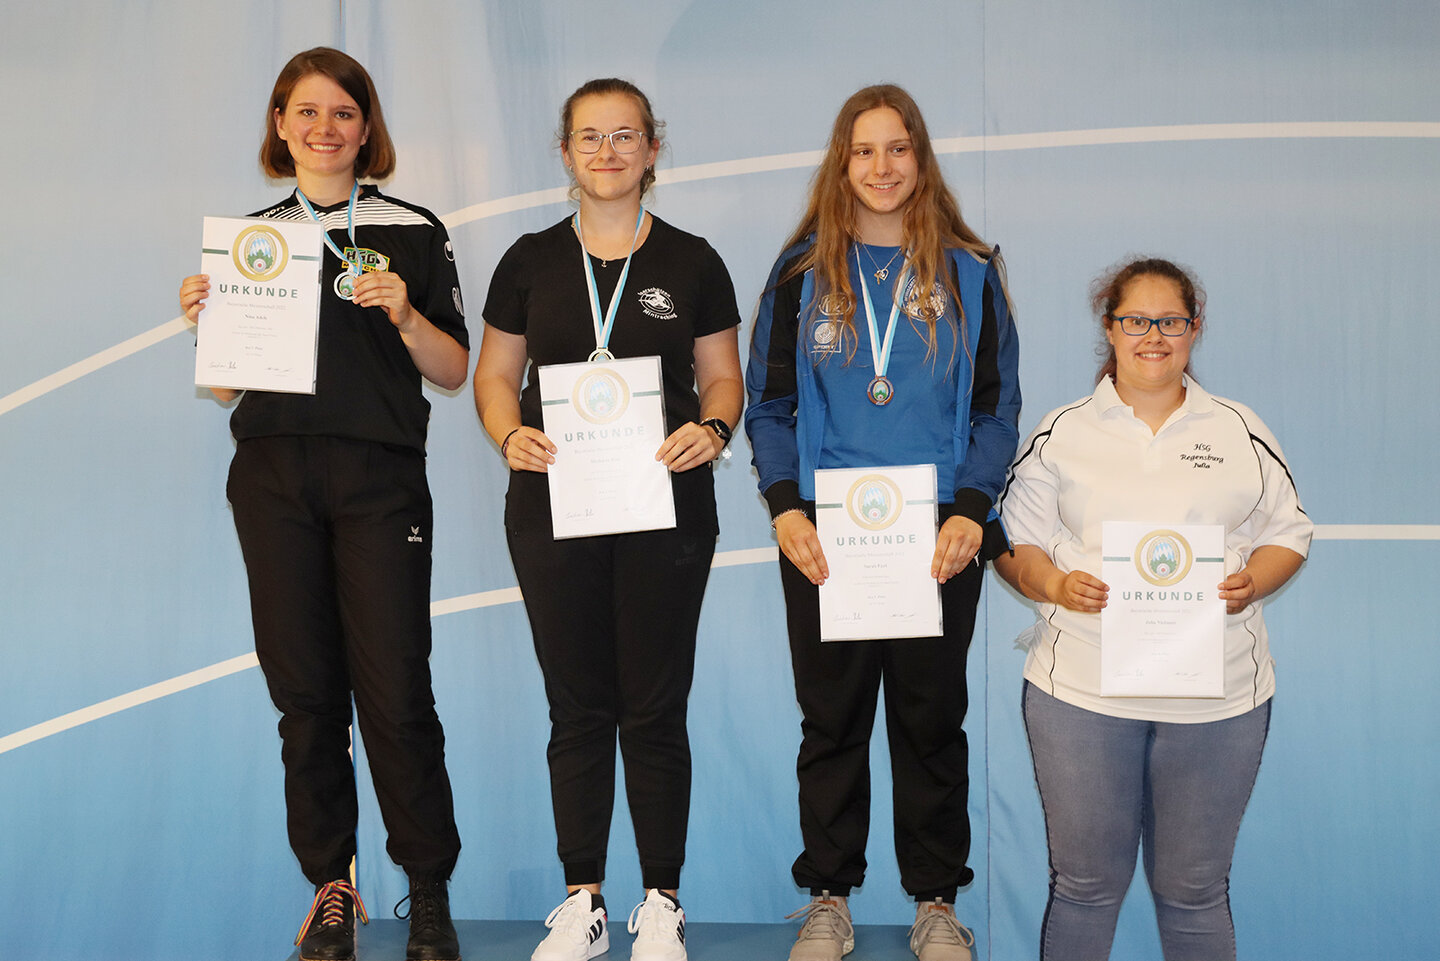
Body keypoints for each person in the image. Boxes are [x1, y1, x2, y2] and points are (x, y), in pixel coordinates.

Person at [177, 47, 467, 961]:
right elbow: (227, 387)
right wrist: (207, 320)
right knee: (304, 695)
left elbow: (456, 369)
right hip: (274, 478)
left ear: (367, 126)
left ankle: (427, 887)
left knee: (396, 688)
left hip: (381, 478)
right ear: (280, 124)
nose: (325, 128)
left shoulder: (412, 228)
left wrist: (407, 314)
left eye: (343, 112)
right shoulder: (251, 238)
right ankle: (331, 885)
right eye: (306, 112)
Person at [745, 84, 1021, 961]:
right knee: (831, 720)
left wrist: (972, 508)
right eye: (864, 150)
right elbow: (769, 406)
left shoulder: (971, 271)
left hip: (938, 531)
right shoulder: (799, 274)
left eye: (898, 148)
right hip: (825, 529)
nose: (882, 167)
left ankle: (936, 903)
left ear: (921, 158)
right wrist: (785, 507)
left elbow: (997, 408)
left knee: (930, 719)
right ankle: (828, 898)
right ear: (841, 163)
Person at [472, 78, 743, 961]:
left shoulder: (694, 261)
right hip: (554, 506)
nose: (608, 151)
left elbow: (723, 378)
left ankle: (662, 901)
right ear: (565, 152)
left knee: (656, 706)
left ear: (653, 148)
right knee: (578, 705)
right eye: (590, 136)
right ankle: (582, 900)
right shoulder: (527, 260)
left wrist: (713, 429)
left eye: (626, 135)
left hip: (668, 510)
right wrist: (507, 433)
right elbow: (493, 376)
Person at [992, 257, 1312, 961]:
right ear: (1109, 328)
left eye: (1170, 321)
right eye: (1135, 320)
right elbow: (1012, 542)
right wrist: (1054, 585)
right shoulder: (1063, 430)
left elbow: (1289, 534)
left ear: (1195, 328)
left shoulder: (1239, 428)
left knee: (1194, 890)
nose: (1153, 336)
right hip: (1082, 692)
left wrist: (1252, 581)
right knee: (1084, 887)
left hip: (1218, 698)